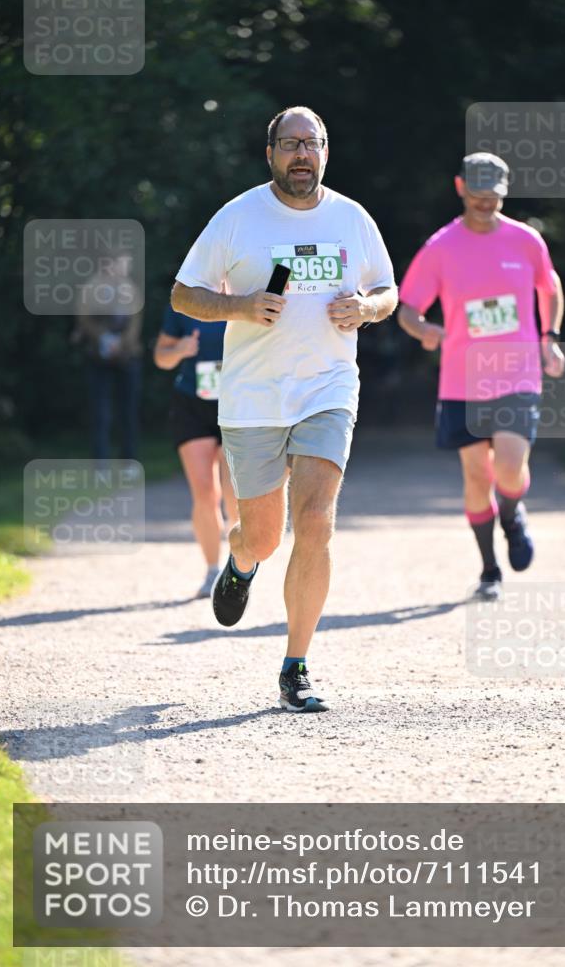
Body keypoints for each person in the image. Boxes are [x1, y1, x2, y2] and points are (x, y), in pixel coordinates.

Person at [171, 105, 397, 712]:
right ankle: (241, 562)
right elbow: (183, 293)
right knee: (266, 535)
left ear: (327, 151)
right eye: (290, 143)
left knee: (318, 521)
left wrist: (367, 309)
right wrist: (241, 307)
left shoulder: (352, 218)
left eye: (312, 143)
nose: (302, 154)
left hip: (327, 387)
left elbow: (387, 289)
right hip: (252, 396)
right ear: (269, 151)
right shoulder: (238, 217)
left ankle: (296, 664)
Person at [398, 152, 565, 600]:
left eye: (493, 196)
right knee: (477, 477)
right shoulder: (441, 247)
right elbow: (407, 306)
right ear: (460, 188)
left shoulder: (525, 240)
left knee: (509, 469)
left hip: (517, 373)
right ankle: (490, 569)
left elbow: (549, 286)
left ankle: (512, 514)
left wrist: (549, 336)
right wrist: (424, 329)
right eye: (477, 195)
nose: (485, 203)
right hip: (462, 381)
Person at [153, 307, 239, 598]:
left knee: (234, 495)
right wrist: (180, 348)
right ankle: (212, 570)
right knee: (204, 493)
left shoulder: (248, 290)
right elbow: (161, 357)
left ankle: (239, 565)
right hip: (192, 403)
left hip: (238, 402)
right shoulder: (186, 299)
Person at [74, 310, 143, 465]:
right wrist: (104, 338)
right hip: (97, 357)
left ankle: (128, 461)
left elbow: (136, 319)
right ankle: (100, 463)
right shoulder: (92, 288)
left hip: (128, 356)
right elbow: (84, 317)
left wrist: (123, 343)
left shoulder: (130, 288)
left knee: (128, 413)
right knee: (100, 414)